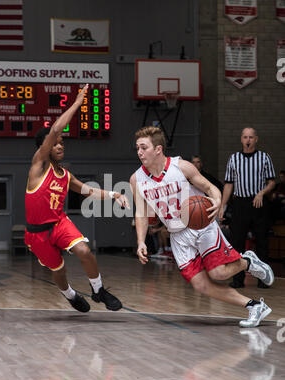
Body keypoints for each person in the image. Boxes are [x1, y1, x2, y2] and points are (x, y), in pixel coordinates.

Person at [130, 126, 274, 328]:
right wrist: (140, 241)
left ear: (158, 149)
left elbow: (209, 187)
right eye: (137, 148)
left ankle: (247, 262)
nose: (139, 152)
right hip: (177, 235)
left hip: (201, 226)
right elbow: (141, 213)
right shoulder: (136, 179)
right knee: (200, 284)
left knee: (219, 273)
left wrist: (216, 201)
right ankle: (254, 306)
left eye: (143, 147)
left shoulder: (181, 167)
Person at [24, 84, 130, 313]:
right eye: (56, 143)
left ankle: (99, 290)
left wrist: (114, 194)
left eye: (63, 143)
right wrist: (77, 104)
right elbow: (54, 131)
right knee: (59, 271)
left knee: (84, 251)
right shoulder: (38, 166)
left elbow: (88, 191)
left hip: (59, 223)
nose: (60, 145)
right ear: (46, 148)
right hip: (37, 233)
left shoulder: (65, 175)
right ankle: (70, 295)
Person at [218, 127, 276, 289]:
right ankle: (238, 279)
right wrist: (223, 206)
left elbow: (272, 182)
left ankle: (264, 279)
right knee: (237, 243)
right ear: (241, 139)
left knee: (262, 241)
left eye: (251, 137)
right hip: (240, 204)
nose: (248, 140)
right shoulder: (234, 159)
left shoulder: (264, 158)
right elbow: (229, 184)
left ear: (256, 139)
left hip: (258, 203)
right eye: (245, 137)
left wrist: (261, 193)